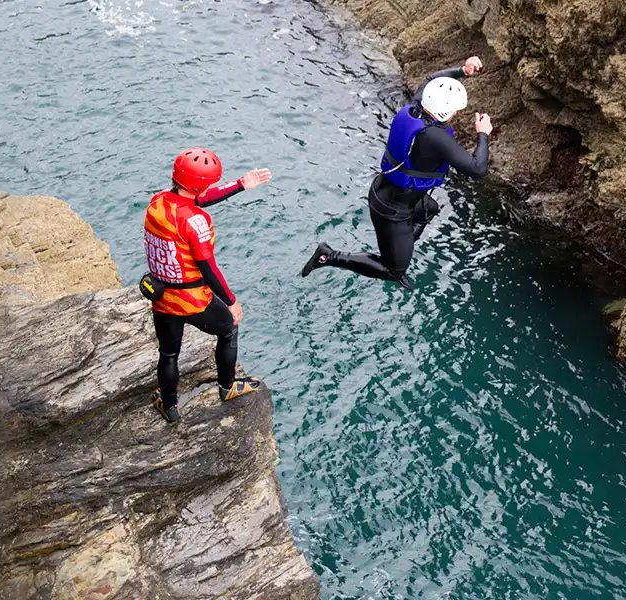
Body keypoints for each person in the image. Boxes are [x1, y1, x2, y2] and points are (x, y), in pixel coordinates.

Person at [300, 55, 493, 289]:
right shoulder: (436, 137)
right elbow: (477, 168)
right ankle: (329, 256)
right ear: (447, 112)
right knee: (393, 271)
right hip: (392, 210)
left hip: (386, 192)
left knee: (429, 209)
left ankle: (399, 249)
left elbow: (433, 78)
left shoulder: (415, 107)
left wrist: (462, 70)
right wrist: (483, 133)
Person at [143, 147, 272, 422]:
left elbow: (193, 200)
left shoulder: (157, 203)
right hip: (192, 300)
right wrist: (231, 301)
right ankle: (228, 386)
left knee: (168, 354)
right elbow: (208, 268)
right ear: (202, 185)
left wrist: (240, 185)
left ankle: (169, 406)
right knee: (228, 330)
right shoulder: (196, 220)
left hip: (162, 297)